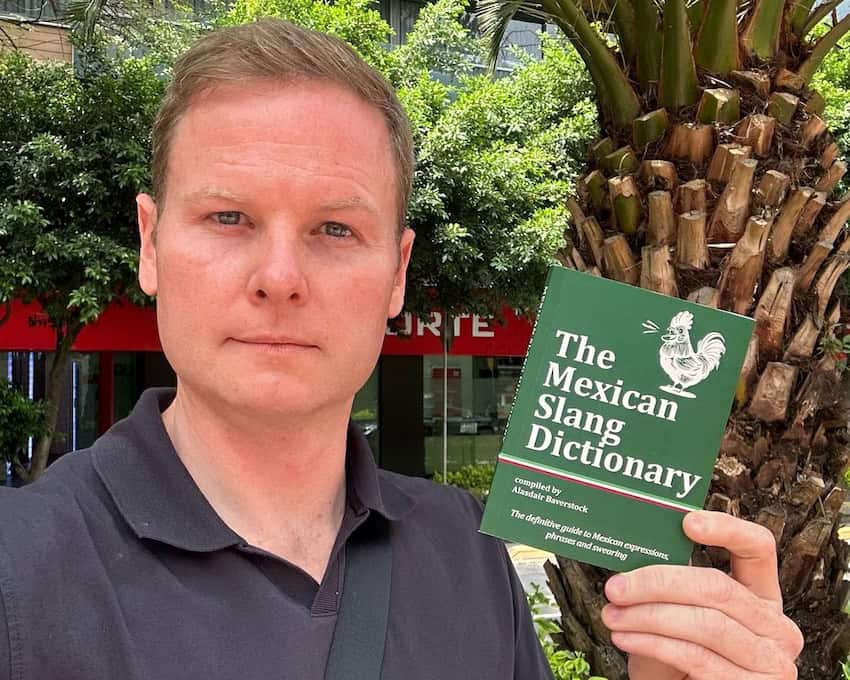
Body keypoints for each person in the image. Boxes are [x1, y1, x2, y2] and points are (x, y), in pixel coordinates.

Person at [0, 18, 802, 680]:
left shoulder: (467, 551)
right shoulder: (21, 570)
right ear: (149, 243)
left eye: (335, 229)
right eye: (228, 218)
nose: (279, 278)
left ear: (396, 273)